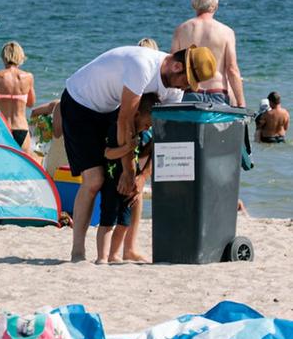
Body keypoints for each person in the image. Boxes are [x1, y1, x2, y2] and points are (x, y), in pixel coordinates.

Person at [60, 44, 212, 261]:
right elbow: (125, 120)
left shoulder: (174, 90)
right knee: (94, 180)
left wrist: (141, 176)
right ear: (177, 66)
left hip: (110, 109)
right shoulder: (142, 66)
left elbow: (164, 136)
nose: (186, 88)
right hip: (80, 104)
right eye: (187, 82)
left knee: (134, 187)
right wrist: (128, 171)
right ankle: (78, 250)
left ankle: (128, 248)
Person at [97, 94, 157, 264]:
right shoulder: (118, 129)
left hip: (130, 184)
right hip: (111, 182)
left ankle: (114, 254)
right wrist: (126, 148)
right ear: (137, 114)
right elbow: (108, 153)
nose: (147, 128)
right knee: (107, 221)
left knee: (124, 222)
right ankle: (102, 255)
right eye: (146, 124)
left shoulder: (141, 135)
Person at [171, 0, 244, 107]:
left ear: (194, 4)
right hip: (217, 93)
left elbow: (172, 67)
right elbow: (232, 69)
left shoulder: (181, 30)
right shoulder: (226, 32)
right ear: (215, 5)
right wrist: (241, 103)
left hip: (189, 92)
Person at [0, 41, 37, 151]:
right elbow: (31, 103)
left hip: (2, 128)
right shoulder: (28, 77)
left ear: (3, 56)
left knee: (1, 163)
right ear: (20, 56)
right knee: (22, 164)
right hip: (21, 128)